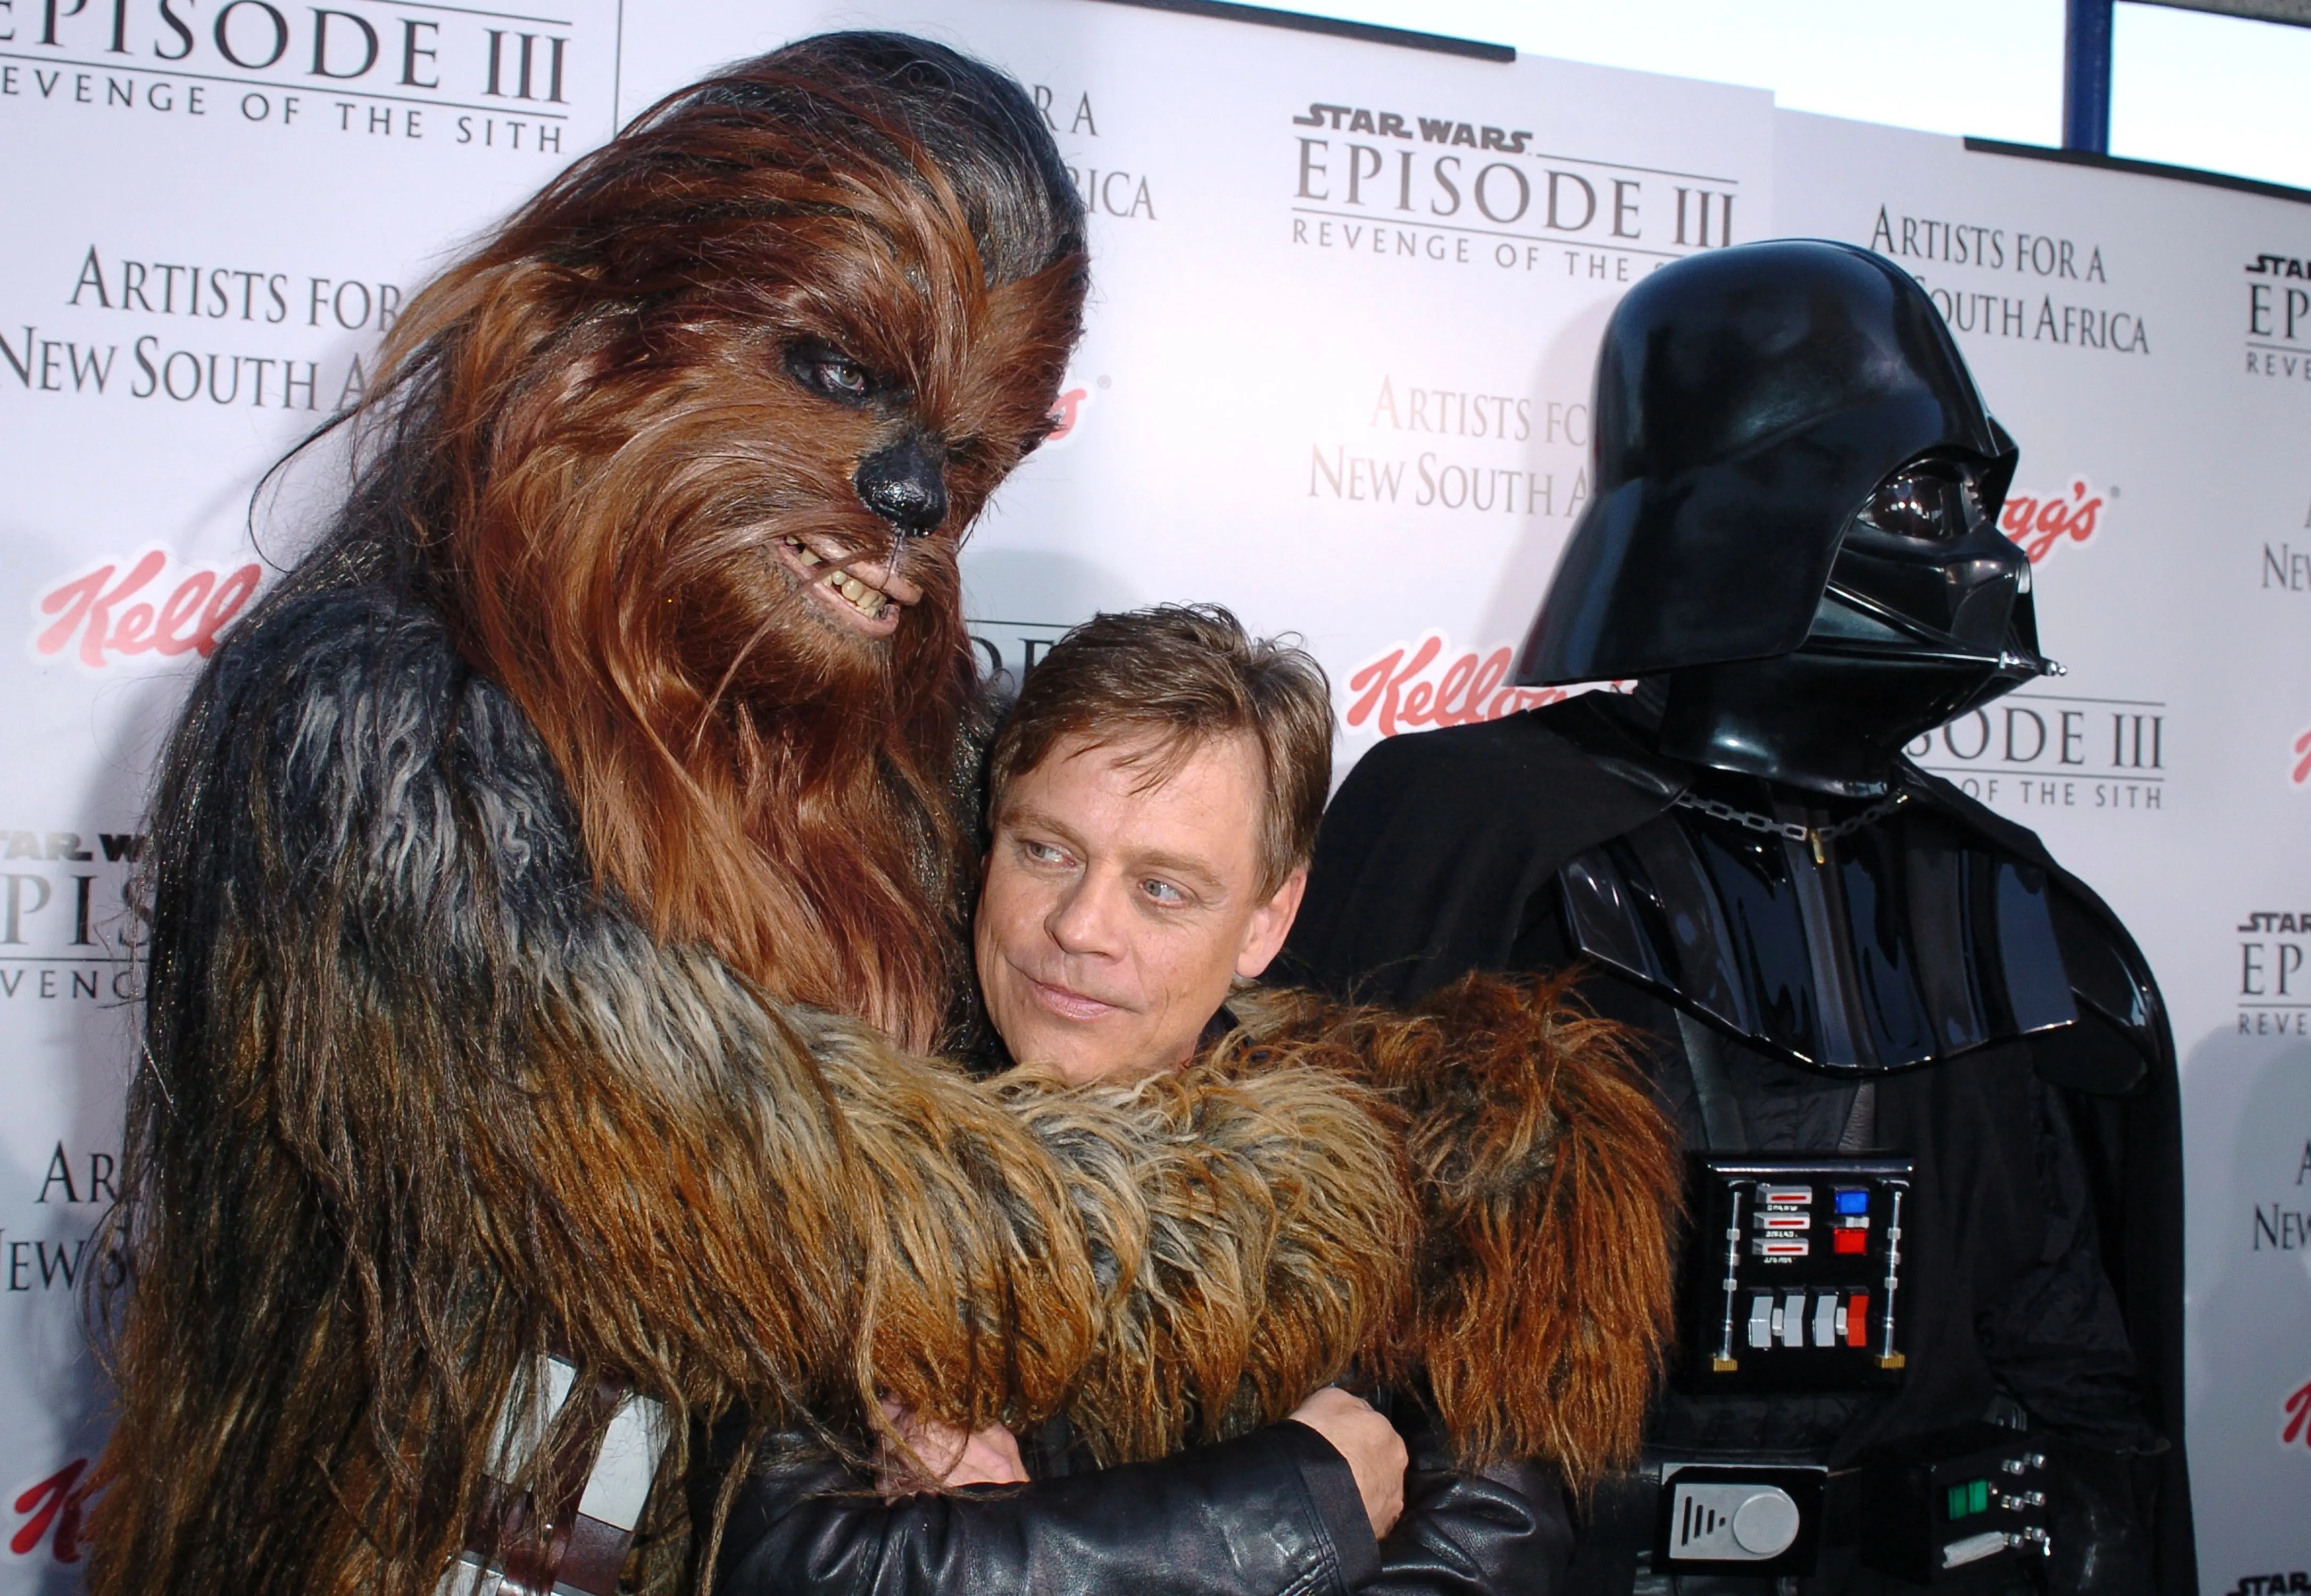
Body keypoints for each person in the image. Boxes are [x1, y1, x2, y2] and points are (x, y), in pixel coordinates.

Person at [89, 38, 1442, 1596]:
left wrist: (1486, 1151)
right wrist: (1307, 1204)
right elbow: (779, 1195)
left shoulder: (864, 751)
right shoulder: (370, 709)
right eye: (842, 377)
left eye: (974, 455)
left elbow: (1075, 1024)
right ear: (590, 328)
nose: (924, 503)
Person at [1284, 242, 2188, 1594]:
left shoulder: (2006, 902)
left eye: (1978, 498)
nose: (1994, 550)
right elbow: (1319, 1303)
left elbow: (2073, 1372)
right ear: (1754, 506)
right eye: (1924, 490)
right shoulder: (1468, 832)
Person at [710, 605, 1682, 1596]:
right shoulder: (834, 1149)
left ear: (1269, 920)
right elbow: (795, 1568)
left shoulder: (1443, 1174)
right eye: (1046, 851)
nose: (1081, 928)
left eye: (1163, 889)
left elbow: (1488, 1566)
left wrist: (1000, 1548)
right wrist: (1300, 1502)